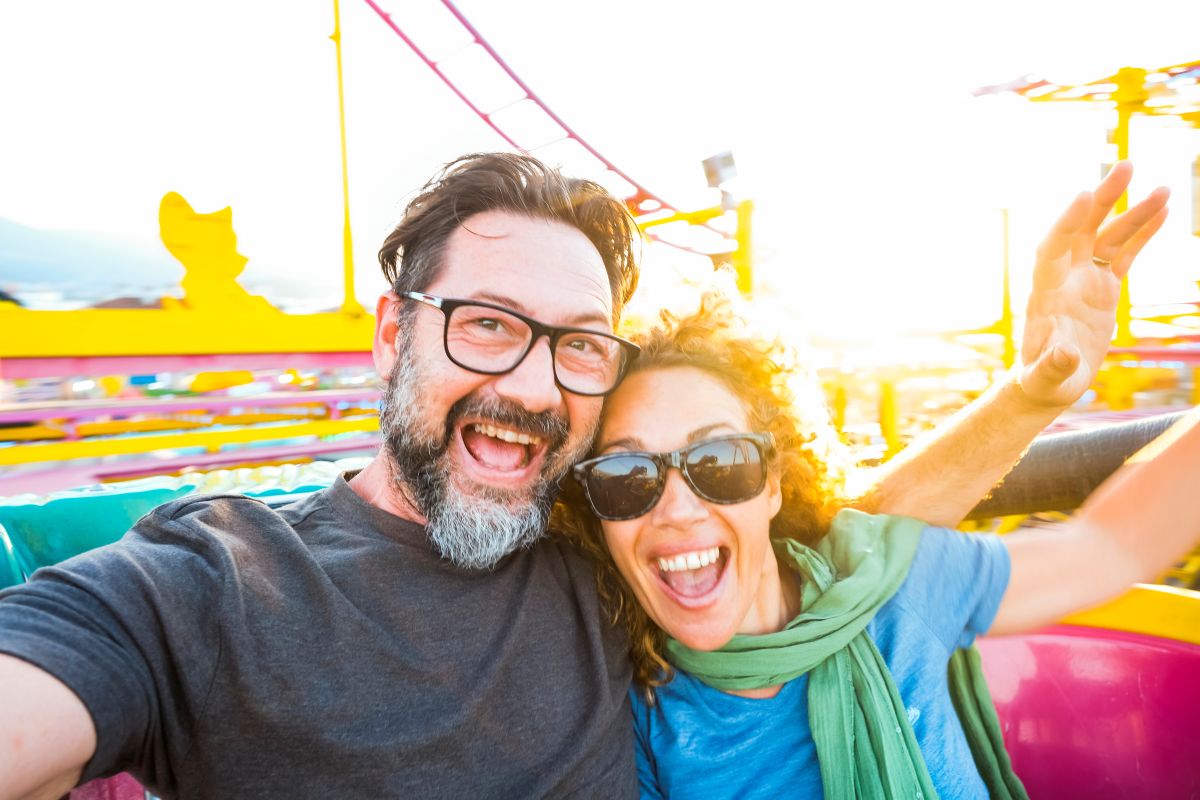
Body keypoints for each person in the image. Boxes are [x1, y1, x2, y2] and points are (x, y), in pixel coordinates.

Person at [0, 153, 1168, 799]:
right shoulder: (204, 583)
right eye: (488, 324)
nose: (532, 383)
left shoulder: (599, 559)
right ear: (390, 330)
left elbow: (830, 545)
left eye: (575, 344)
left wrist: (1038, 387)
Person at [557, 291, 1200, 799]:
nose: (676, 508)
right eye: (625, 477)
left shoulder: (892, 582)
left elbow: (1110, 546)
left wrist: (1041, 382)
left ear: (774, 485)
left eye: (720, 462)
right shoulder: (635, 711)